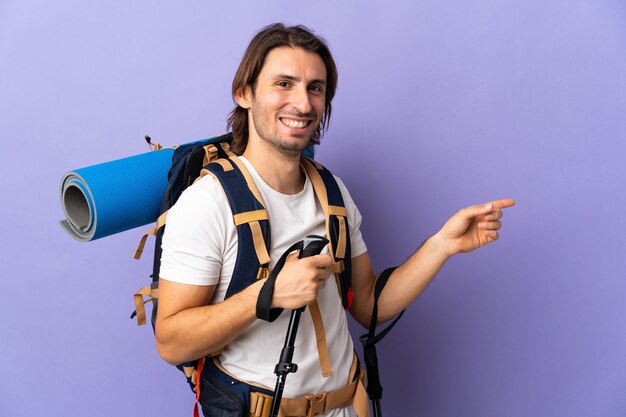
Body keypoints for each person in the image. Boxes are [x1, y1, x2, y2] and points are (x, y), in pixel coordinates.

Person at [154, 23, 515, 417]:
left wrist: (441, 245)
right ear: (244, 94)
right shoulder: (208, 203)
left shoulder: (331, 191)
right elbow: (171, 341)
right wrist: (268, 293)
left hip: (348, 406)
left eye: (315, 88)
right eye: (284, 84)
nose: (303, 104)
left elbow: (368, 304)